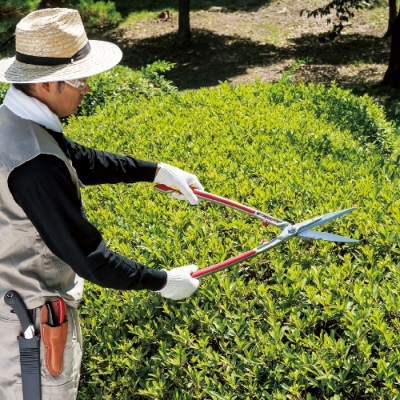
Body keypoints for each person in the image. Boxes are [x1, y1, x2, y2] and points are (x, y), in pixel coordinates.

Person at [0, 8, 202, 400]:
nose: (87, 87)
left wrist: (156, 170)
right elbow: (91, 258)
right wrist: (162, 280)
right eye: (79, 78)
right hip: (28, 332)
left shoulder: (14, 122)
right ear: (44, 84)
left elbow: (79, 160)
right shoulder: (37, 168)